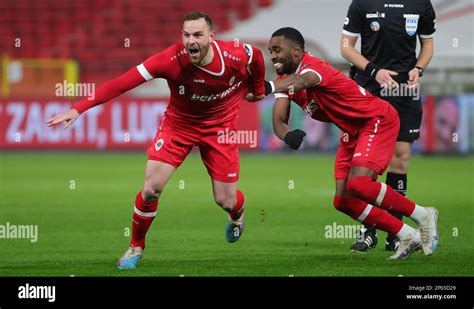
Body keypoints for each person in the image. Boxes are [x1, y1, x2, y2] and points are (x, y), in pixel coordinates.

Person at [47, 12, 265, 269]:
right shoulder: (170, 60)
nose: (190, 41)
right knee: (151, 189)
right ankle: (136, 246)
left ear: (211, 36)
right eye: (186, 35)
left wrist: (258, 89)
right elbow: (122, 83)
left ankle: (237, 215)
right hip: (178, 127)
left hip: (220, 129)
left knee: (225, 200)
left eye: (197, 35)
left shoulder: (237, 54)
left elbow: (258, 58)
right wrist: (79, 108)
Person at [264, 27, 438, 260]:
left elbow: (302, 81)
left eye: (277, 50)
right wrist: (286, 135)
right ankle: (407, 234)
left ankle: (424, 215)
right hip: (352, 130)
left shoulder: (313, 68)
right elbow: (278, 119)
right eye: (270, 51)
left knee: (360, 185)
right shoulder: (285, 80)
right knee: (343, 201)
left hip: (376, 119)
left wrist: (268, 87)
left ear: (296, 51)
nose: (272, 56)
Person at [340, 0, 436, 252]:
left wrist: (419, 68)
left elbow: (427, 44)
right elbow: (346, 47)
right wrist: (374, 71)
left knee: (400, 159)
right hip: (369, 87)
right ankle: (368, 229)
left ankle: (397, 231)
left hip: (405, 90)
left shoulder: (421, 4)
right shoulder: (362, 3)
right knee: (367, 162)